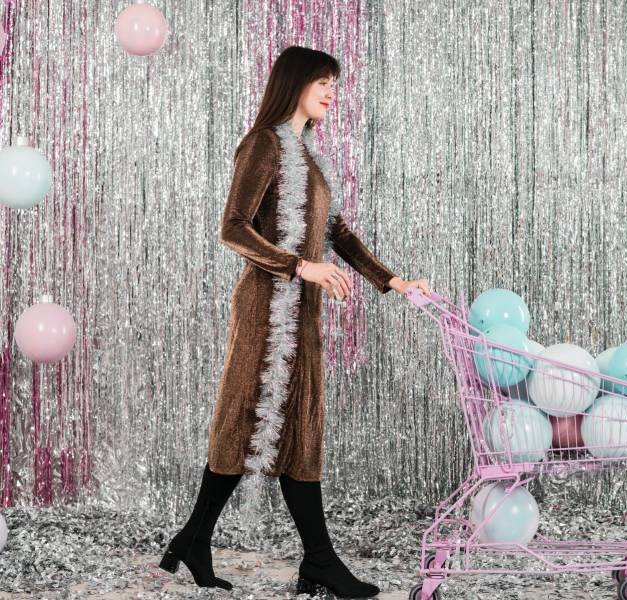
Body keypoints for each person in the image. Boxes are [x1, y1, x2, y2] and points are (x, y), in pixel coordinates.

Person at [158, 45, 432, 598]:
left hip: (301, 313)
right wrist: (297, 265)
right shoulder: (263, 143)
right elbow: (232, 228)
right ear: (296, 83)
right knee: (243, 424)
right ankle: (309, 559)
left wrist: (393, 281)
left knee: (301, 429)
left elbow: (338, 233)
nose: (332, 91)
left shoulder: (306, 154)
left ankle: (206, 540)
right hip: (266, 308)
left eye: (335, 82)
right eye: (323, 81)